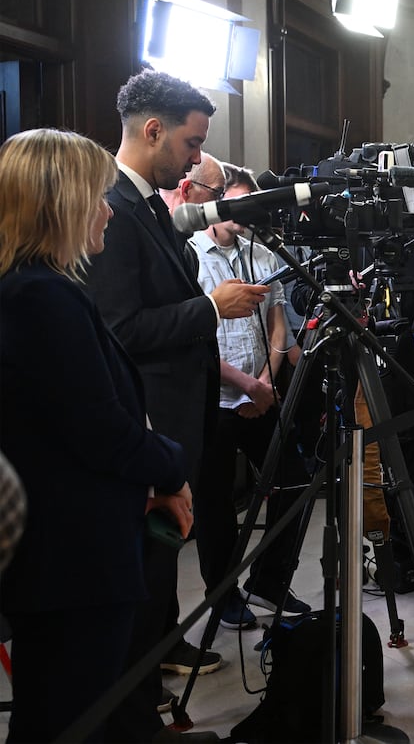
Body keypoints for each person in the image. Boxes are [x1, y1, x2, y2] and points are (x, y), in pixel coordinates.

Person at [0, 128, 191, 742]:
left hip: (60, 549)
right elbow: (100, 428)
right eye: (97, 197)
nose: (108, 211)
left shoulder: (34, 287)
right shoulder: (42, 296)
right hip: (72, 557)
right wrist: (173, 465)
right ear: (61, 203)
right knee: (68, 716)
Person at [84, 71, 266, 712]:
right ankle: (137, 695)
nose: (196, 159)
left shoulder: (148, 205)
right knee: (148, 555)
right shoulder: (111, 206)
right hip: (149, 413)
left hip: (180, 409)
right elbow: (121, 329)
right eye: (192, 143)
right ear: (154, 130)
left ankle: (158, 652)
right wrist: (212, 309)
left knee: (163, 553)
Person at [187, 158, 312, 629]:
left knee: (295, 484)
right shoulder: (190, 254)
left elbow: (278, 324)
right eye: (238, 204)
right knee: (216, 505)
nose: (245, 213)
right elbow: (193, 338)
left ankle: (270, 579)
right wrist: (244, 384)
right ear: (217, 203)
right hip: (215, 399)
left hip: (260, 393)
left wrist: (263, 381)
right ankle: (223, 597)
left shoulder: (262, 254)